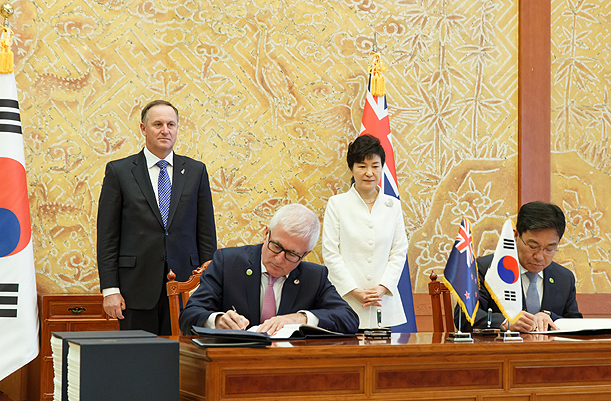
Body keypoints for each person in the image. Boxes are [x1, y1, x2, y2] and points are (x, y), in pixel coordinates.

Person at [97, 99, 217, 335]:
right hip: (135, 290)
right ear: (143, 129)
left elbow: (206, 233)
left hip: (186, 288)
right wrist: (110, 289)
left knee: (183, 364)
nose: (165, 130)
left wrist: (210, 286)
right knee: (138, 363)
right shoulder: (119, 171)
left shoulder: (195, 171)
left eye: (171, 124)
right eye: (158, 124)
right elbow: (108, 237)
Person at [179, 203, 359, 335]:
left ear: (305, 254)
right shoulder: (228, 262)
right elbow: (189, 315)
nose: (279, 259)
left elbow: (348, 318)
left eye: (292, 254)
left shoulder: (314, 276)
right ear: (266, 234)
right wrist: (218, 321)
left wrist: (299, 319)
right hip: (233, 365)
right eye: (276, 246)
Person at [321, 135, 408, 329]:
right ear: (351, 168)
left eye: (375, 166)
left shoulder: (392, 206)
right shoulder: (337, 204)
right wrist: (354, 290)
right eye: (362, 166)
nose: (369, 172)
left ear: (382, 168)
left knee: (383, 357)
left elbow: (399, 252)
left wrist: (382, 288)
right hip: (346, 300)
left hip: (383, 301)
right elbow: (330, 253)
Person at [455, 201, 582, 333]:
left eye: (549, 249)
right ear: (516, 236)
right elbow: (463, 316)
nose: (539, 256)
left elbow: (576, 322)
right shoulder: (486, 269)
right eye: (532, 246)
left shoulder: (564, 278)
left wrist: (549, 316)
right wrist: (504, 322)